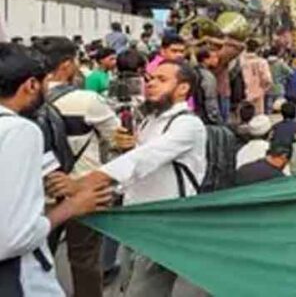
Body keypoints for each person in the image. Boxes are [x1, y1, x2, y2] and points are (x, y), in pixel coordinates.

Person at [81, 61, 207, 297]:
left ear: (183, 88)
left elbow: (144, 158)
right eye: (150, 79)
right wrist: (122, 148)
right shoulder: (150, 121)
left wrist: (91, 180)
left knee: (145, 290)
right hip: (136, 217)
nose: (151, 84)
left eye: (162, 79)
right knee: (127, 282)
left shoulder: (188, 125)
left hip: (163, 224)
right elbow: (137, 162)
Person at [0, 43, 111, 297]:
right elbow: (11, 238)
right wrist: (72, 207)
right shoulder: (18, 130)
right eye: (45, 82)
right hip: (17, 280)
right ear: (31, 85)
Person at [34, 37, 122, 297]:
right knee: (85, 259)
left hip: (42, 192)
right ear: (66, 64)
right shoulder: (86, 100)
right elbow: (116, 136)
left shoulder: (24, 97)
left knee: (37, 258)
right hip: (85, 191)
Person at [240, 39, 272, 116]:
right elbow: (267, 79)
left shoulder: (241, 61)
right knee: (257, 116)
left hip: (242, 93)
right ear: (257, 49)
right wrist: (265, 88)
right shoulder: (262, 62)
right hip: (258, 93)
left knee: (244, 116)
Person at [194, 47, 222, 126]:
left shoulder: (194, 71)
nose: (217, 60)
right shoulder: (208, 76)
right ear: (205, 60)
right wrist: (215, 118)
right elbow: (210, 98)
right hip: (205, 115)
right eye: (214, 57)